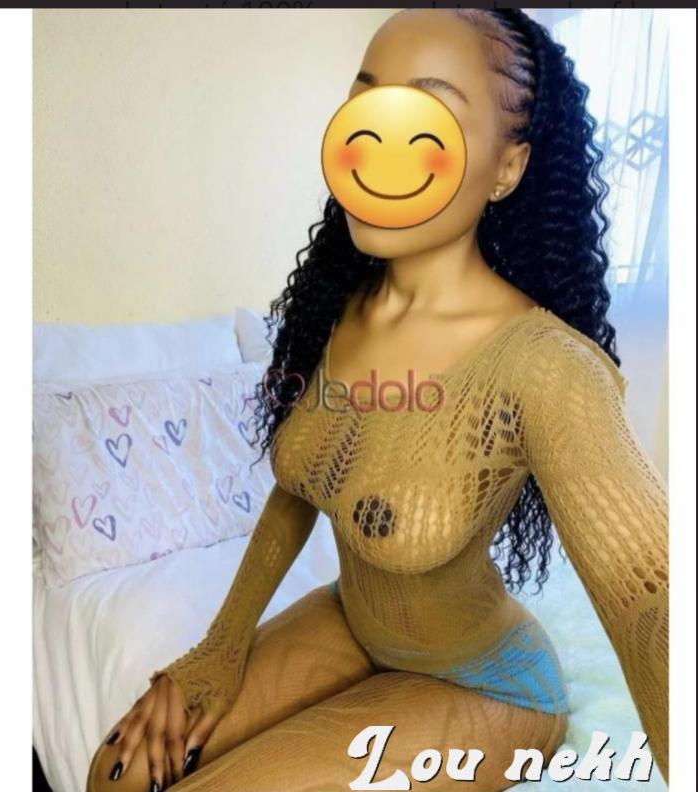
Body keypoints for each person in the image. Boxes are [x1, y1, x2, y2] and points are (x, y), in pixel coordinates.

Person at [87, 9, 668, 792]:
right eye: (367, 102)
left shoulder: (547, 368)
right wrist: (218, 649)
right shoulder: (344, 309)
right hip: (353, 624)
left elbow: (650, 600)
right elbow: (300, 489)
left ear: (507, 168)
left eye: (429, 111)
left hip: (486, 685)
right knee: (117, 772)